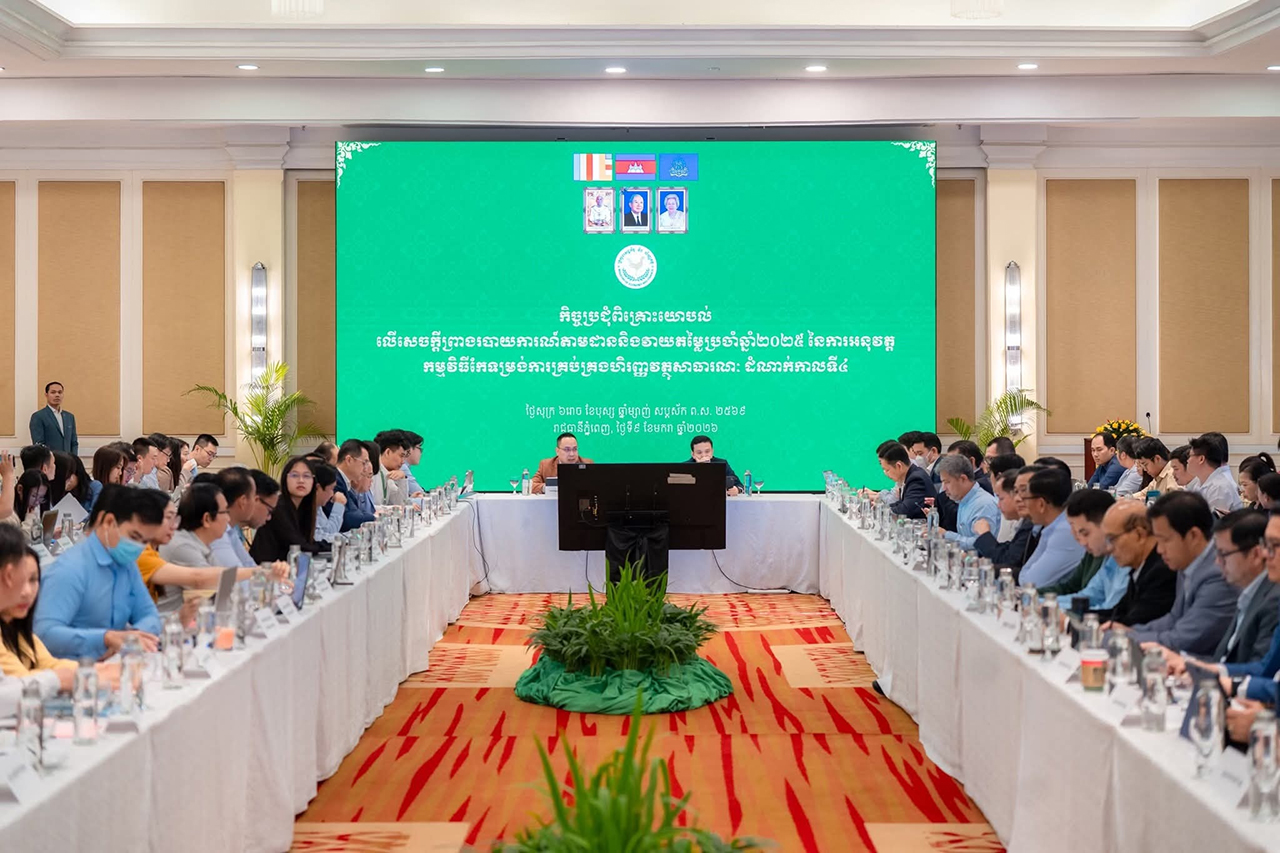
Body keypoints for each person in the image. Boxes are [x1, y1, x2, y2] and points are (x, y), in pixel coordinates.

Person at [34, 485, 166, 659]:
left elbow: (149, 615)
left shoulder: (127, 565)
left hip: (116, 664)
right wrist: (105, 639)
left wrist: (130, 638)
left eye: (144, 541)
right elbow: (44, 634)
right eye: (134, 537)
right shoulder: (70, 569)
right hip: (74, 669)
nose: (138, 547)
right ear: (109, 522)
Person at [1162, 511, 1279, 676]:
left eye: (1223, 554)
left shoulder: (1273, 600)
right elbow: (1224, 660)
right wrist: (1187, 663)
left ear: (1255, 554)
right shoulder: (1249, 592)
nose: (1217, 562)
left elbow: (1261, 673)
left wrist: (1194, 666)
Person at [1123, 491, 1237, 656]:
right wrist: (1129, 631)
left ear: (1193, 536)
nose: (1159, 550)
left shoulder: (1218, 575)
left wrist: (1126, 638)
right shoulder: (1188, 562)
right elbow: (1174, 618)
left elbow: (1184, 640)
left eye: (1165, 540)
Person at [1220, 513, 1280, 707]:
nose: (1265, 554)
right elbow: (1266, 667)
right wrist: (1213, 671)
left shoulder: (1273, 599)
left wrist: (1236, 686)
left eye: (1274, 545)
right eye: (1266, 544)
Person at [0, 537, 76, 688]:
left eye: (33, 580)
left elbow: (50, 664)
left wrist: (95, 670)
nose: (27, 592)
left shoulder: (17, 627)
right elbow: (23, 684)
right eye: (18, 581)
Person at [1102, 500, 1177, 625]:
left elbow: (1131, 624)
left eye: (1112, 539)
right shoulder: (1141, 567)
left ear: (1139, 534)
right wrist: (1078, 616)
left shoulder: (1162, 572)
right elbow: (1118, 613)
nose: (1109, 548)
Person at [1040, 489, 1117, 604]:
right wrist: (1030, 595)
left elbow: (1094, 601)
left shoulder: (1120, 559)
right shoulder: (1093, 552)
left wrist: (1038, 600)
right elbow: (1071, 587)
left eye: (1085, 533)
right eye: (1072, 528)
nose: (1081, 542)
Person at [1017, 467, 1085, 587]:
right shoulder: (1051, 527)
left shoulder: (1065, 532)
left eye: (1026, 499)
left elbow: (1031, 582)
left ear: (1041, 504)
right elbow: (1025, 575)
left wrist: (1024, 578)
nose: (1023, 504)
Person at [251, 457, 319, 562]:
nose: (301, 481)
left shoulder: (304, 508)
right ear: (285, 479)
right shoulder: (278, 507)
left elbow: (308, 543)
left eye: (306, 476)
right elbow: (299, 546)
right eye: (294, 475)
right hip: (265, 568)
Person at [972, 469, 1037, 568]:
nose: (1019, 499)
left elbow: (1008, 561)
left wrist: (984, 534)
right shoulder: (1025, 522)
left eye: (1000, 498)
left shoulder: (1032, 525)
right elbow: (1010, 549)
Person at [937, 454, 1000, 549]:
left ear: (963, 479)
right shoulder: (964, 500)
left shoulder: (983, 504)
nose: (944, 488)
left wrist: (946, 535)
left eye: (947, 482)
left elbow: (981, 545)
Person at [206, 467, 257, 568]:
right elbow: (233, 574)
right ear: (243, 501)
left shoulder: (231, 530)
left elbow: (249, 565)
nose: (255, 503)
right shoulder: (218, 536)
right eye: (254, 497)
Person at [873, 441, 935, 520]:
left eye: (887, 470)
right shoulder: (910, 475)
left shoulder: (916, 479)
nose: (885, 473)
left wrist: (880, 511)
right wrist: (881, 508)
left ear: (899, 466)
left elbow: (905, 510)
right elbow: (901, 504)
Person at [1185, 433, 1242, 516]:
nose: (1187, 460)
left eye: (1190, 456)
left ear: (1201, 459)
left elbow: (1212, 522)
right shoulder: (1201, 480)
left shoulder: (1219, 487)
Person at [332, 438, 376, 531]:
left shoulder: (344, 482)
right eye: (364, 463)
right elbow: (348, 519)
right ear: (349, 460)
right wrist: (375, 517)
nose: (365, 469)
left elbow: (357, 512)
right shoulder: (333, 481)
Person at [28, 380, 78, 457]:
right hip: (50, 460)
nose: (57, 395)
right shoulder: (38, 416)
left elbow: (74, 442)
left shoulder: (69, 417)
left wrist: (74, 459)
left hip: (68, 460)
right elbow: (39, 444)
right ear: (46, 395)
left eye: (60, 392)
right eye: (53, 392)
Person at [371, 431, 410, 506]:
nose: (403, 462)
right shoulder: (372, 472)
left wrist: (402, 479)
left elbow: (400, 503)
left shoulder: (387, 473)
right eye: (401, 456)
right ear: (388, 452)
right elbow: (368, 508)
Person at [85, 444, 127, 513]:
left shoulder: (115, 491)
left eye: (121, 468)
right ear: (106, 467)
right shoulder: (90, 488)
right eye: (118, 467)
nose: (120, 473)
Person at [313, 464, 346, 543]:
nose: (332, 494)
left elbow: (326, 531)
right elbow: (321, 538)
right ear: (318, 488)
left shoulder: (317, 507)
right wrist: (339, 505)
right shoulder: (305, 508)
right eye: (332, 489)